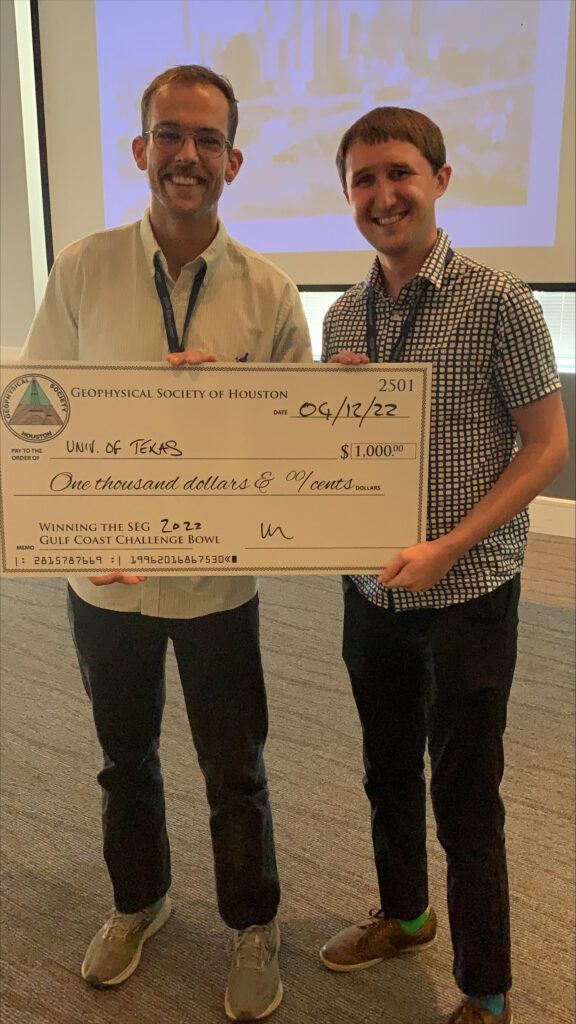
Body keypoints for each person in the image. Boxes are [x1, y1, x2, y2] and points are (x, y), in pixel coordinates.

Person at [21, 65, 312, 1021]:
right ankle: (139, 900)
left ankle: (251, 921)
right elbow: (39, 421)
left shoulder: (270, 293)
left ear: (234, 158)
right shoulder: (80, 267)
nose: (188, 156)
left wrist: (237, 404)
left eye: (208, 140)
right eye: (170, 135)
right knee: (122, 755)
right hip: (104, 582)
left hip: (218, 586)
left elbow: (299, 447)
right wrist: (65, 528)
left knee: (235, 765)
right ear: (140, 147)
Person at [319, 106, 568, 1024]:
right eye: (363, 180)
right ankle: (408, 915)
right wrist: (325, 410)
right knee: (386, 771)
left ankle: (486, 990)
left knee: (465, 792)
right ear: (347, 196)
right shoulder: (344, 314)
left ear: (440, 179)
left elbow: (545, 446)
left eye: (399, 173)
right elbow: (333, 455)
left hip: (469, 589)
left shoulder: (501, 301)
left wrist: (450, 544)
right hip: (369, 586)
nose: (383, 196)